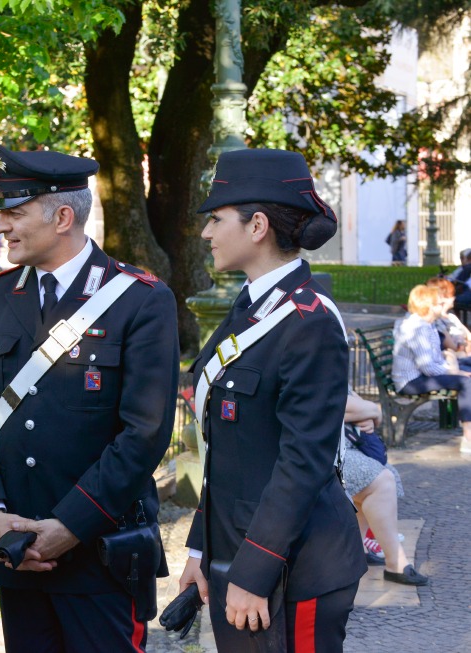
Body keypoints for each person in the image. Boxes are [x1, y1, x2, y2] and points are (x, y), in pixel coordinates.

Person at [0, 141, 179, 651]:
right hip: (18, 554)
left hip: (101, 557)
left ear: (63, 216)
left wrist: (70, 525)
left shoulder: (139, 301)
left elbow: (144, 434)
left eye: (14, 212)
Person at [178, 149, 366, 651]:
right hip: (237, 557)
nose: (206, 233)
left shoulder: (310, 322)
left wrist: (253, 572)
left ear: (257, 224)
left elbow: (303, 461)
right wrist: (201, 549)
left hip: (292, 568)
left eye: (217, 219)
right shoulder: (251, 308)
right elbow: (226, 456)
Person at [343, 391, 429, 585]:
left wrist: (368, 413)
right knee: (381, 480)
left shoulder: (330, 364)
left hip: (346, 448)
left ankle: (358, 551)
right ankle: (396, 563)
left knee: (378, 473)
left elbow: (363, 408)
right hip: (320, 454)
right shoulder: (313, 364)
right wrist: (369, 411)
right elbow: (327, 408)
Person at [393, 284, 471, 454]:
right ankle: (468, 436)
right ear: (428, 306)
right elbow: (428, 367)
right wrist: (453, 370)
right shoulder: (417, 328)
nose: (441, 305)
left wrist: (452, 365)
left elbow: (433, 360)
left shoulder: (428, 324)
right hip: (411, 381)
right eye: (437, 303)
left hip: (421, 375)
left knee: (466, 371)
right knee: (465, 382)